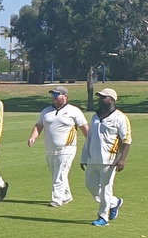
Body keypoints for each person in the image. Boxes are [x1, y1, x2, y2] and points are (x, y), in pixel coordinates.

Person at [27, 86, 89, 207]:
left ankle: (56, 199)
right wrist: (32, 137)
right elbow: (38, 125)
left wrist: (91, 142)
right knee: (56, 173)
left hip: (66, 148)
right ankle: (66, 196)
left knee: (60, 173)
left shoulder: (74, 111)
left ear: (65, 96)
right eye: (52, 95)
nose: (53, 97)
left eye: (56, 95)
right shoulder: (46, 111)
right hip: (49, 149)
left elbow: (84, 127)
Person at [80, 88, 131, 226]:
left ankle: (103, 217)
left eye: (104, 97)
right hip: (93, 158)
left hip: (110, 159)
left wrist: (122, 159)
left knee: (106, 188)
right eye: (100, 97)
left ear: (112, 100)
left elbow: (126, 139)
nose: (100, 100)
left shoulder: (120, 117)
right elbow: (89, 138)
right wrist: (84, 157)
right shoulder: (94, 117)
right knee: (90, 185)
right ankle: (114, 203)